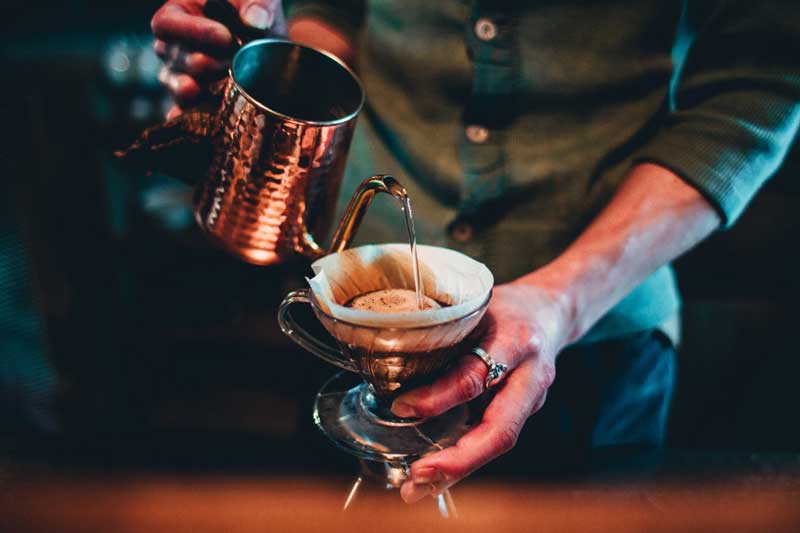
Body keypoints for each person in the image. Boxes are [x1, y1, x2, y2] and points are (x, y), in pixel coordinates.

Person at [151, 0, 800, 503]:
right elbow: (333, 12)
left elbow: (758, 80)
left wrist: (563, 301)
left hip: (601, 342)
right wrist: (280, 66)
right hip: (353, 342)